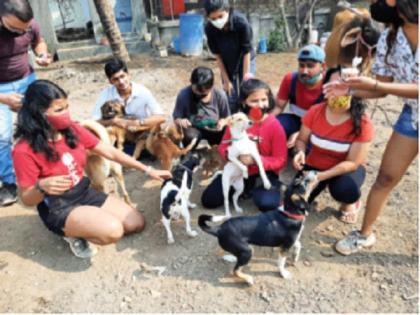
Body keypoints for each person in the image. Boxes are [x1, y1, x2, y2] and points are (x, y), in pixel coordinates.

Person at [13, 80, 171, 258]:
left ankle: (89, 219)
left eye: (67, 107)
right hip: (58, 205)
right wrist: (41, 186)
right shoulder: (23, 150)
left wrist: (148, 170)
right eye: (59, 110)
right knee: (113, 230)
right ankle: (71, 234)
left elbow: (110, 152)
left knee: (136, 223)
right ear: (39, 114)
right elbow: (26, 199)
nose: (66, 114)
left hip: (82, 191)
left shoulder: (71, 129)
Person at [323, 0, 418, 255]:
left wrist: (376, 86)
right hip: (413, 116)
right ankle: (364, 235)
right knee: (386, 177)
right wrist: (349, 90)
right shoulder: (390, 35)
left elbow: (383, 87)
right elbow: (383, 85)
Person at [293, 67, 374, 224]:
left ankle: (351, 202)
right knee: (294, 200)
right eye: (334, 84)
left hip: (346, 169)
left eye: (344, 85)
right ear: (325, 87)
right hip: (316, 164)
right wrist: (300, 152)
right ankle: (317, 186)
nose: (338, 90)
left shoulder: (362, 122)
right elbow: (302, 140)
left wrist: (320, 177)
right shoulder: (315, 111)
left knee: (345, 189)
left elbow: (353, 163)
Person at [201, 78, 287, 212]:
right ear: (244, 102)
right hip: (238, 169)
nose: (260, 105)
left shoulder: (275, 126)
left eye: (264, 100)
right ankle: (244, 187)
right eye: (254, 101)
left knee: (267, 203)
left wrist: (254, 160)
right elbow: (223, 146)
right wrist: (231, 156)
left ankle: (261, 187)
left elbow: (281, 160)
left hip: (263, 171)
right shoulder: (237, 120)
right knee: (209, 200)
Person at [0, 0, 52, 207]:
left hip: (27, 80)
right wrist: (2, 98)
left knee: (41, 128)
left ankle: (46, 173)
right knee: (1, 138)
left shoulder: (30, 25)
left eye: (24, 29)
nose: (20, 33)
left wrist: (41, 54)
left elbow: (39, 42)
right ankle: (10, 183)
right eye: (14, 28)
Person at [92, 58, 166, 154]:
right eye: (116, 79)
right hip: (118, 136)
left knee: (153, 142)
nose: (121, 82)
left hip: (140, 135)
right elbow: (94, 121)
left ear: (128, 75)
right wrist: (114, 121)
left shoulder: (143, 92)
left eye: (123, 76)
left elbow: (161, 117)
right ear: (110, 81)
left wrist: (139, 123)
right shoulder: (106, 94)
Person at [204, 0, 256, 113]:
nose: (217, 21)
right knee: (230, 96)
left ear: (227, 10)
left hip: (245, 59)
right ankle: (232, 120)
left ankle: (250, 119)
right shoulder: (209, 29)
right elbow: (217, 55)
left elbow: (246, 51)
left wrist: (246, 79)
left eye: (220, 16)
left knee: (247, 92)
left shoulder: (241, 22)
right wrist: (226, 80)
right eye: (213, 19)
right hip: (226, 61)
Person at [274, 44, 325, 148]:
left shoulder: (328, 84)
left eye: (310, 66)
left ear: (322, 66)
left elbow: (328, 119)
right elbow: (279, 107)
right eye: (301, 65)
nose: (304, 71)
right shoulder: (290, 79)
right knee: (274, 126)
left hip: (317, 125)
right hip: (295, 120)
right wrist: (264, 122)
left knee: (312, 147)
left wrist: (300, 135)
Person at [173, 66, 230, 148]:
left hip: (214, 130)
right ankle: (188, 152)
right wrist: (181, 121)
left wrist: (223, 122)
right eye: (196, 90)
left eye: (203, 91)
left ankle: (219, 148)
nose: (199, 94)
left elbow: (227, 118)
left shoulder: (220, 95)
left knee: (228, 130)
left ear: (211, 86)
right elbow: (176, 118)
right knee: (189, 135)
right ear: (191, 83)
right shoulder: (184, 95)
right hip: (194, 130)